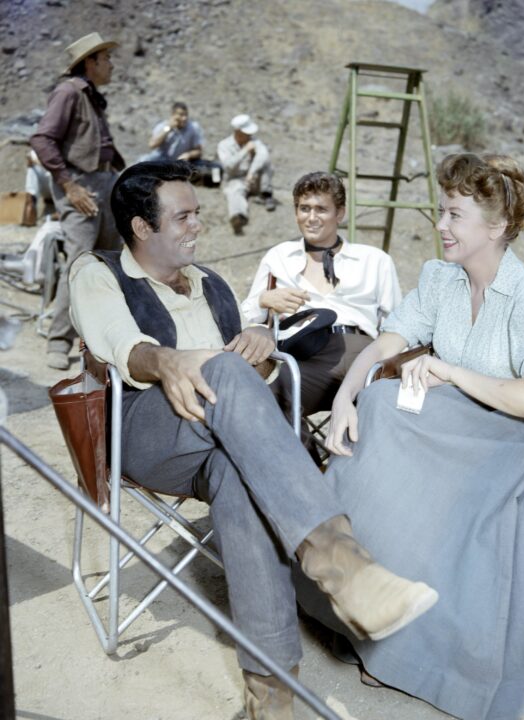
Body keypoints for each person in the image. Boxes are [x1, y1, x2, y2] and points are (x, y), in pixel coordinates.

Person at [67, 160, 437, 720]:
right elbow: (123, 345)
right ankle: (343, 568)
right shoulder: (98, 272)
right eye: (183, 216)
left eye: (197, 214)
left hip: (215, 438)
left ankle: (270, 698)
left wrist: (262, 337)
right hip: (144, 428)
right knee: (220, 371)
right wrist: (165, 360)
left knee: (240, 482)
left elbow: (246, 385)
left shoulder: (212, 283)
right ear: (142, 228)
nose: (197, 226)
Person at [297, 153, 524, 720]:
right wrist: (348, 397)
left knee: (436, 479)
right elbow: (384, 346)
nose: (442, 226)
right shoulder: (440, 279)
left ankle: (417, 645)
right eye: (441, 212)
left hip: (522, 434)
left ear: (496, 227)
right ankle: (355, 596)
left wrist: (451, 372)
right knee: (379, 405)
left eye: (455, 215)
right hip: (455, 423)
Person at [242, 171, 402, 457]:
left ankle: (355, 481)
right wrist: (266, 299)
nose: (311, 217)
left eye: (321, 209)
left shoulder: (374, 260)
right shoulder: (279, 257)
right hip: (304, 354)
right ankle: (314, 474)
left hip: (361, 350)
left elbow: (397, 324)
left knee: (385, 412)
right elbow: (249, 317)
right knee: (267, 399)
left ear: (339, 213)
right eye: (304, 208)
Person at [30, 32, 125, 371]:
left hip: (103, 181)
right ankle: (58, 340)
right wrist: (69, 187)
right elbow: (42, 140)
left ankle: (103, 340)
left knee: (110, 263)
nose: (112, 64)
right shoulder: (68, 92)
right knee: (80, 264)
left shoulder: (90, 96)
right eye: (106, 58)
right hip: (82, 186)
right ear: (91, 62)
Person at [217, 113, 275, 235]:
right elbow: (228, 166)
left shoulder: (255, 141)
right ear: (237, 131)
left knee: (267, 164)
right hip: (236, 179)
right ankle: (238, 217)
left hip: (253, 178)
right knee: (234, 192)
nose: (250, 135)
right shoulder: (224, 145)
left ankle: (266, 194)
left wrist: (252, 172)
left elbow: (263, 156)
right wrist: (245, 151)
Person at [141, 101, 221, 186]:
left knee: (215, 168)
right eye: (181, 115)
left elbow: (199, 151)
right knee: (143, 161)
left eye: (186, 115)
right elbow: (152, 145)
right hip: (162, 160)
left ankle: (214, 183)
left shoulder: (193, 128)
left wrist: (188, 154)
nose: (184, 118)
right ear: (173, 115)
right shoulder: (163, 126)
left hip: (182, 162)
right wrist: (169, 128)